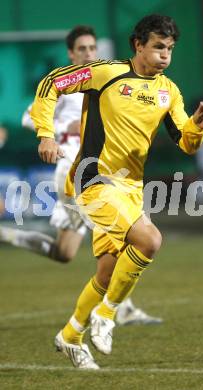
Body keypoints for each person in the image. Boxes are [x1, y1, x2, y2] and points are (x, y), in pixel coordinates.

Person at [30, 15, 203, 369]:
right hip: (93, 180)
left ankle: (70, 336)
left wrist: (196, 126)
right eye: (158, 47)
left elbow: (185, 142)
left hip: (130, 188)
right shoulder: (104, 73)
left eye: (170, 49)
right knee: (150, 240)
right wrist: (46, 132)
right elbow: (50, 83)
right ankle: (107, 314)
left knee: (107, 271)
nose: (165, 55)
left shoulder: (169, 91)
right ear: (138, 46)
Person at [0, 25, 162, 326]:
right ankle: (122, 309)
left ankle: (8, 235)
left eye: (92, 48)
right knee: (121, 236)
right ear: (71, 54)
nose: (89, 53)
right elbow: (28, 116)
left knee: (64, 252)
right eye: (82, 49)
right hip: (75, 174)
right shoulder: (65, 86)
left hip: (95, 173)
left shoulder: (102, 81)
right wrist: (63, 129)